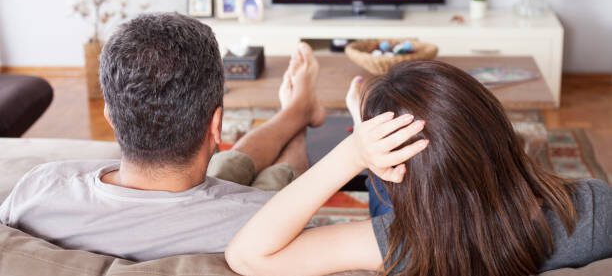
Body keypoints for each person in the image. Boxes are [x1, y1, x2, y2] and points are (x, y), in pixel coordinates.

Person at [226, 60, 612, 276]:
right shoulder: (593, 209)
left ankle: (304, 116)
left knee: (385, 194)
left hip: (419, 222)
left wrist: (355, 152)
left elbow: (246, 255)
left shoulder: (397, 243)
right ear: (496, 127)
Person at [0, 12, 327, 261]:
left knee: (230, 165)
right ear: (217, 126)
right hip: (232, 214)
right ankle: (298, 116)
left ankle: (297, 108)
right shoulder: (264, 220)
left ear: (111, 117)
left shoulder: (39, 189)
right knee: (277, 175)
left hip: (191, 207)